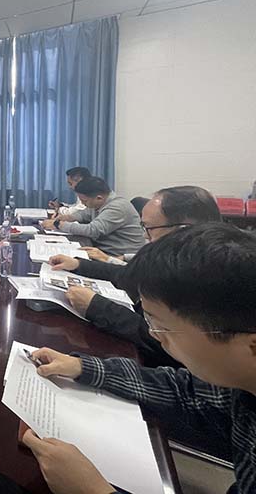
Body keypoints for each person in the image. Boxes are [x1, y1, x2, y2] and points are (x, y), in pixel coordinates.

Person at [23, 223, 256, 494]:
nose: (155, 335)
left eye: (162, 327)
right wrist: (82, 366)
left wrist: (95, 491)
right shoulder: (239, 378)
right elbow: (184, 390)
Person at [49, 185, 222, 367]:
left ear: (181, 229)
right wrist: (79, 265)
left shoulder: (203, 273)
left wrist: (97, 307)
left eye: (149, 228)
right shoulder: (180, 256)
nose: (145, 237)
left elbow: (163, 342)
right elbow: (128, 275)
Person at [41, 176, 146, 256]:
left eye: (84, 201)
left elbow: (93, 230)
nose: (83, 204)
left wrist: (58, 224)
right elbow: (84, 214)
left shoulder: (117, 207)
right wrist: (69, 217)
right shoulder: (99, 202)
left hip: (118, 256)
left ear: (99, 198)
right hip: (102, 249)